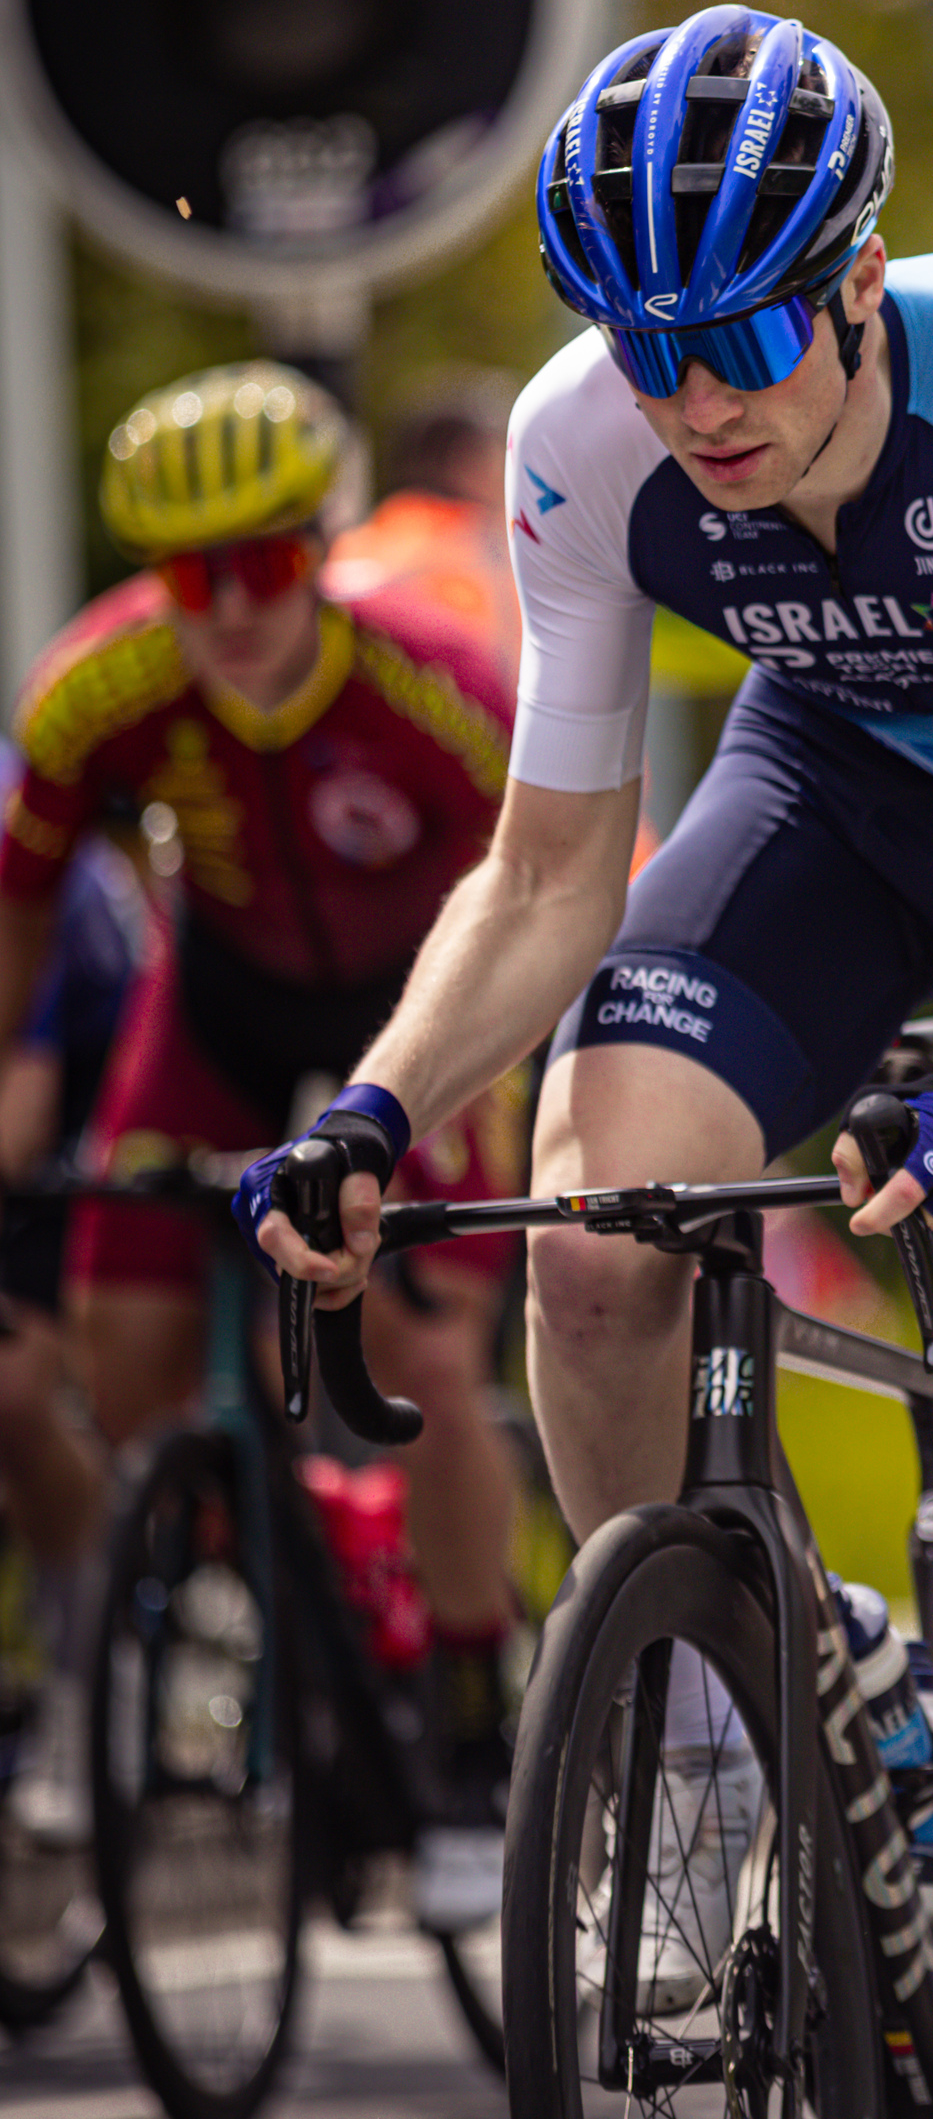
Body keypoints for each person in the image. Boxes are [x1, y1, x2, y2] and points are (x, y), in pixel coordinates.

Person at [247, 2, 933, 2119]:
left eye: (737, 338)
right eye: (645, 346)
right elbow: (548, 873)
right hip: (837, 796)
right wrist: (366, 1102)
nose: (693, 398)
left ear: (857, 287)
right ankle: (699, 1746)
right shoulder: (587, 442)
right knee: (598, 1246)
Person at [0, 363, 525, 1922]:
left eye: (267, 565)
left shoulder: (437, 681)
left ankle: (477, 1722)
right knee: (123, 1354)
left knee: (431, 1364)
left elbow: (542, 896)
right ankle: (257, 1556)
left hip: (421, 1009)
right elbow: (22, 910)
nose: (229, 608)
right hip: (217, 1004)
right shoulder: (96, 690)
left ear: (325, 544)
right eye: (190, 575)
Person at [0, 761, 145, 1837]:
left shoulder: (20, 838)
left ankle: (97, 1679)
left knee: (12, 1393)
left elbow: (19, 1125)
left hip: (87, 1098)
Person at [327, 369, 522, 692]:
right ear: (464, 464)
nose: (508, 467)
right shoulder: (483, 545)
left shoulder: (364, 538)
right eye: (500, 451)